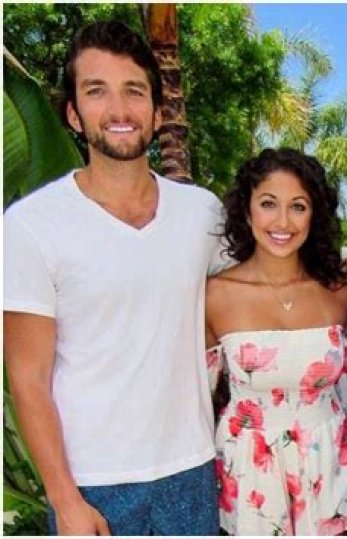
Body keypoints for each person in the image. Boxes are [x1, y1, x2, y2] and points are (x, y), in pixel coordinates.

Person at [4, 21, 226, 535]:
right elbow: (28, 378)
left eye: (134, 91)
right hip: (92, 484)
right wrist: (66, 501)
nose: (119, 110)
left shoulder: (203, 214)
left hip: (192, 470)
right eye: (96, 91)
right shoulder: (31, 224)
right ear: (73, 114)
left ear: (157, 111)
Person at [205, 147, 347, 535]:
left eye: (298, 207)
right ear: (247, 211)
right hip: (250, 475)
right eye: (268, 204)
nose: (283, 221)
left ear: (314, 215)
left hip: (329, 469)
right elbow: (198, 399)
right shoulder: (215, 295)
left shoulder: (340, 290)